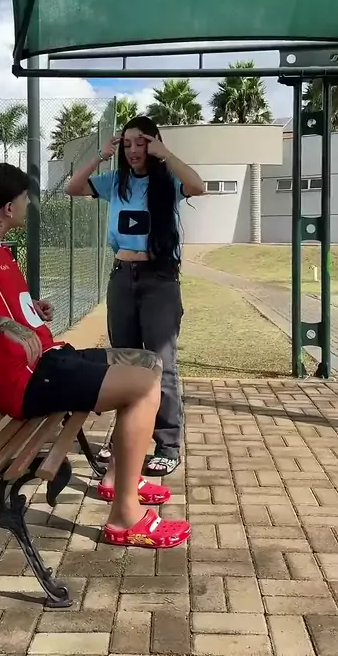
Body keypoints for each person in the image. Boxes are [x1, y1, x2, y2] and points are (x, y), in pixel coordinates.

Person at [0, 163, 191, 550]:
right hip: (29, 383)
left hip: (50, 361)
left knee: (148, 362)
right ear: (9, 208)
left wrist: (28, 310)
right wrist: (2, 324)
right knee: (145, 387)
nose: (28, 206)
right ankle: (125, 518)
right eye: (25, 199)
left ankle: (118, 478)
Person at [66, 116, 204, 476]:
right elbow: (72, 188)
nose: (133, 150)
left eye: (140, 142)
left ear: (153, 143)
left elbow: (198, 185)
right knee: (125, 364)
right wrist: (101, 155)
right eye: (127, 144)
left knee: (161, 362)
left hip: (159, 279)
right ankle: (124, 439)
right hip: (122, 277)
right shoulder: (115, 182)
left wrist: (166, 153)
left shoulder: (168, 181)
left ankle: (167, 445)